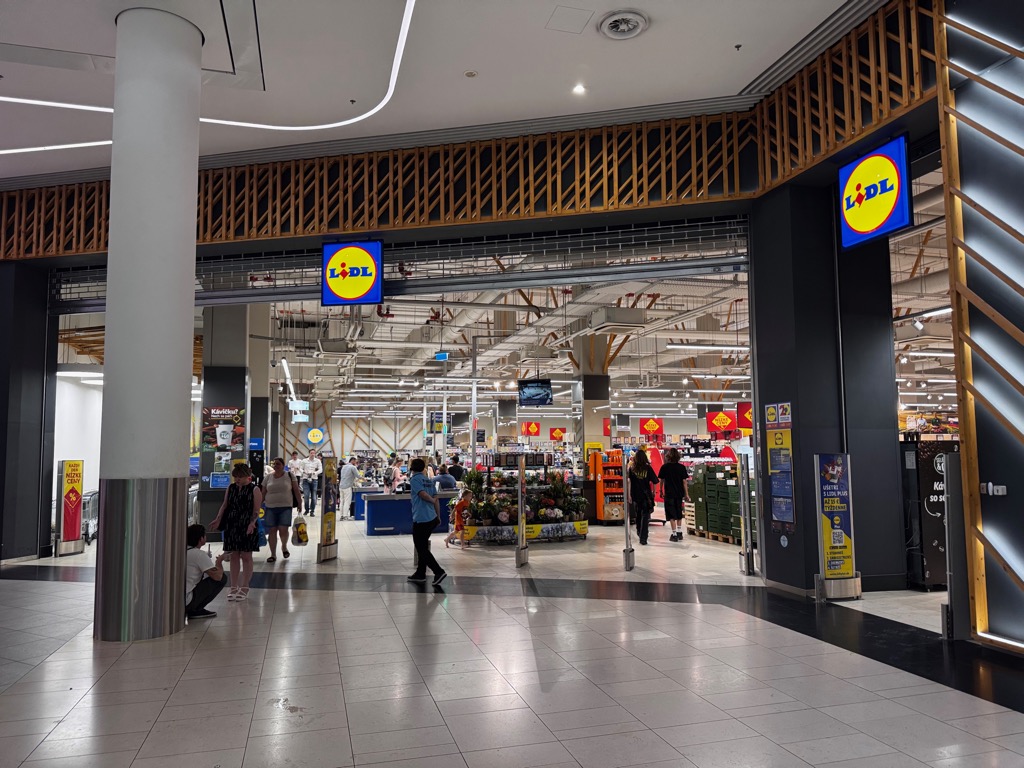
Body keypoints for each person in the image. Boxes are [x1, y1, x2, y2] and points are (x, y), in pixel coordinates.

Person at [210, 463, 262, 601]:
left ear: (247, 476)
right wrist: (218, 519)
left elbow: (256, 510)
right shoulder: (231, 488)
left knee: (246, 556)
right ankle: (233, 586)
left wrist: (252, 523)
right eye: (235, 477)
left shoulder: (254, 489)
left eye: (240, 477)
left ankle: (245, 586)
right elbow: (225, 505)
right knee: (233, 555)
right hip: (232, 523)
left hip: (247, 525)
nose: (237, 479)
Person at [407, 457, 447, 586]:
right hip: (432, 518)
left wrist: (430, 500)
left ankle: (438, 571)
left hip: (421, 518)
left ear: (412, 468)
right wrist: (438, 516)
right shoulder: (429, 480)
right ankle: (420, 573)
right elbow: (436, 499)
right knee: (422, 546)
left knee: (421, 548)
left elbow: (423, 494)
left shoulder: (414, 480)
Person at [185, 523, 227, 619]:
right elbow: (218, 576)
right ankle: (196, 609)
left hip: (175, 600)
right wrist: (219, 561)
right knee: (222, 579)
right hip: (187, 601)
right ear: (201, 539)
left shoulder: (181, 551)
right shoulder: (199, 554)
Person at [263, 457, 300, 561]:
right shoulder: (268, 477)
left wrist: (300, 503)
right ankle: (273, 554)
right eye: (274, 464)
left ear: (283, 465)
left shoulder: (290, 475)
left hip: (285, 506)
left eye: (278, 464)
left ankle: (284, 546)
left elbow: (296, 490)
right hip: (270, 507)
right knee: (272, 530)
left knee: (283, 529)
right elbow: (263, 492)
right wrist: (257, 506)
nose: (276, 466)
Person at [658, 447, 690, 542]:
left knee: (671, 514)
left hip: (669, 493)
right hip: (679, 493)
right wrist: (686, 494)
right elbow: (684, 482)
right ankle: (680, 532)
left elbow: (661, 480)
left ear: (668, 456)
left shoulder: (664, 467)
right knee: (679, 512)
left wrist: (661, 491)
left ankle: (674, 534)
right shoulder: (681, 467)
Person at [628, 449, 658, 546]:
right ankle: (643, 537)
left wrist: (629, 495)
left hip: (635, 495)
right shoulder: (648, 468)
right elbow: (655, 481)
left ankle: (639, 531)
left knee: (638, 514)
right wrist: (653, 492)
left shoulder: (632, 468)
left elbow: (629, 482)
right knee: (645, 516)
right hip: (646, 495)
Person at [301, 449, 322, 517]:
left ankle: (312, 511)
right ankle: (306, 510)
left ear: (315, 454)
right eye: (311, 453)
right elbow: (300, 468)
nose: (312, 454)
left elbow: (321, 469)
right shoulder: (304, 461)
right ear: (309, 453)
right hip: (305, 480)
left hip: (314, 480)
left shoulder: (318, 461)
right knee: (306, 496)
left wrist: (315, 473)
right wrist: (304, 472)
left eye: (314, 453)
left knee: (314, 497)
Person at [338, 456, 360, 520]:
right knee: (347, 502)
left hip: (341, 486)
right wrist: (363, 478)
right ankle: (345, 516)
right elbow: (358, 475)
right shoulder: (353, 467)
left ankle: (341, 515)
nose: (356, 463)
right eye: (355, 462)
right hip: (347, 487)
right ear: (353, 461)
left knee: (342, 501)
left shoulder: (343, 467)